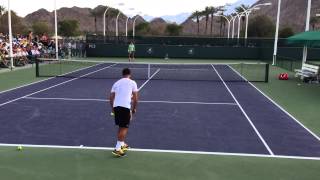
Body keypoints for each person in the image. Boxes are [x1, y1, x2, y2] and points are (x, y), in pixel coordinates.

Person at [109, 68, 139, 157]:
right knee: (124, 128)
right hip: (125, 107)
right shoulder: (132, 82)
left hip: (116, 107)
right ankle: (118, 149)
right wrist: (134, 109)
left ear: (122, 74)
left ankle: (122, 144)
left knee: (121, 126)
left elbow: (111, 98)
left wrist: (113, 109)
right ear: (130, 74)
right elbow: (136, 98)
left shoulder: (116, 83)